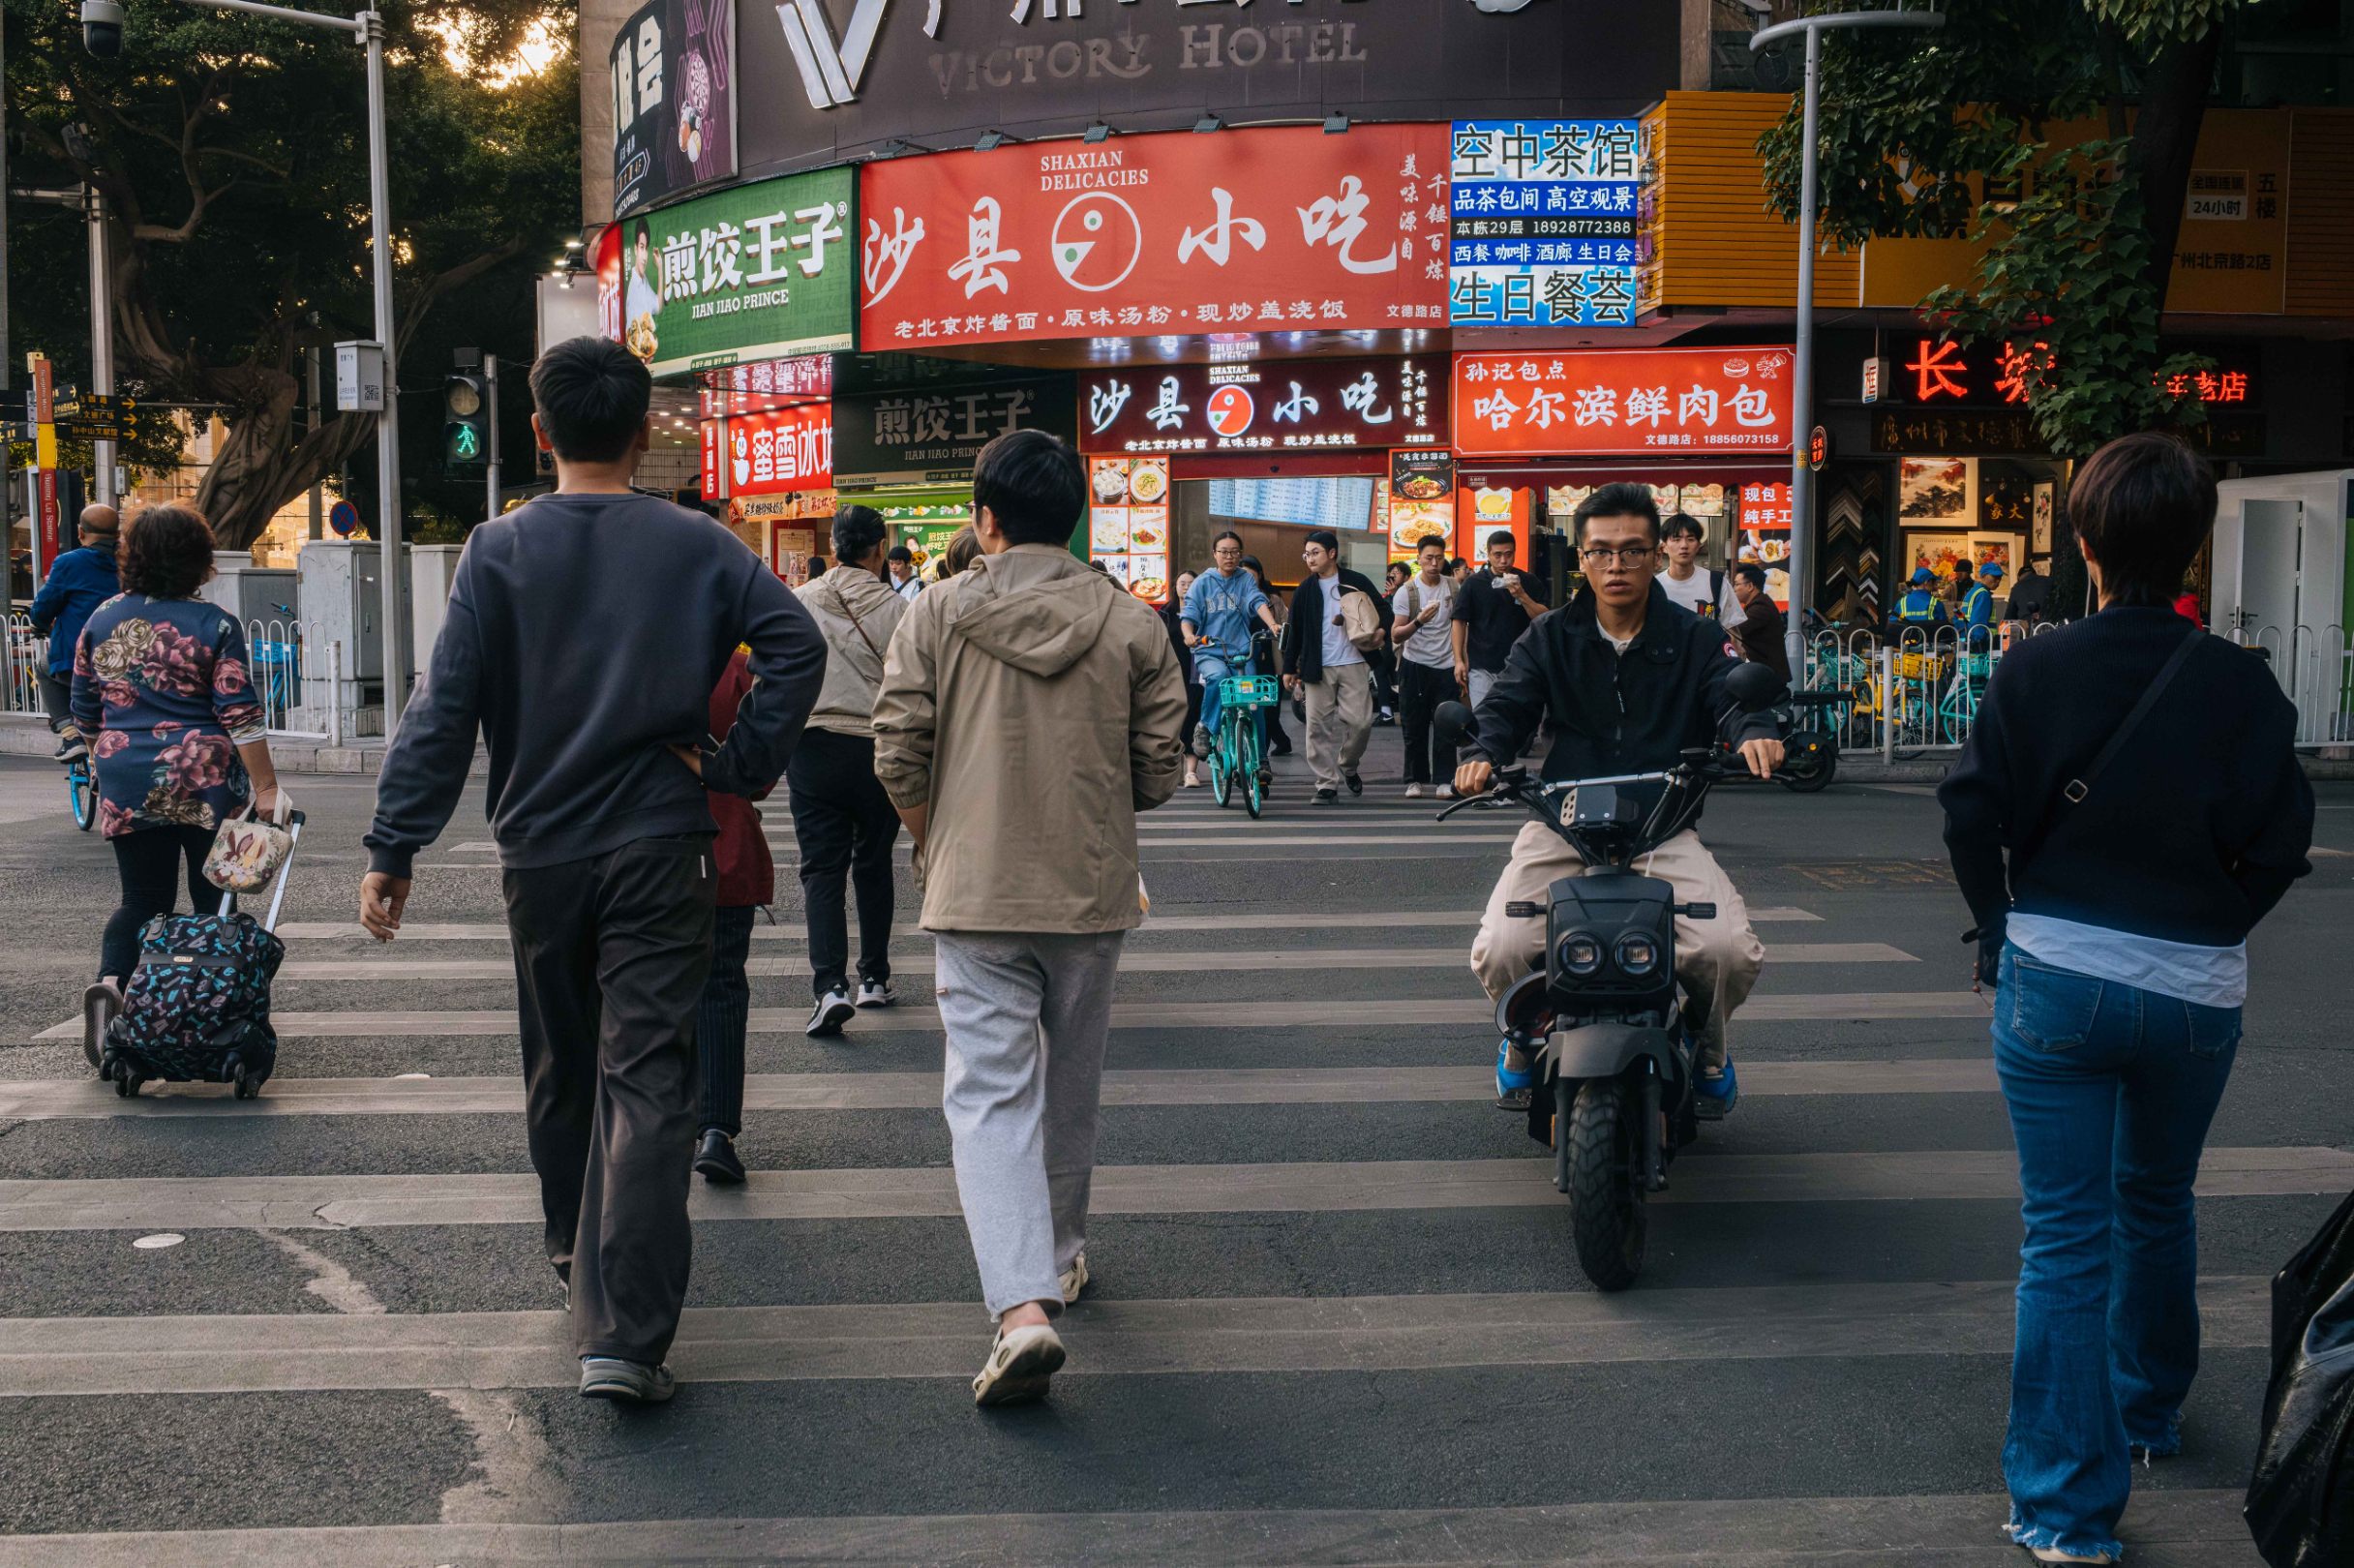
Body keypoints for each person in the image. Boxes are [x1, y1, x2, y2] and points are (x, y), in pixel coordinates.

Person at [358, 336, 827, 1406]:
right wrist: (736, 764)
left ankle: (578, 1258)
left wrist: (395, 845)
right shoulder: (699, 546)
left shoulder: (497, 550)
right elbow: (794, 647)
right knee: (649, 1076)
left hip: (543, 852)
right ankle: (624, 1330)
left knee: (562, 1064)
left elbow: (444, 711)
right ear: (645, 432)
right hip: (663, 845)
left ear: (538, 430)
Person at [1938, 433, 2312, 1566]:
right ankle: (2147, 1409)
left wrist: (1999, 928)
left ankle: (2062, 1513)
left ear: (2083, 542)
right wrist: (2212, 927)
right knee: (2156, 1197)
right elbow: (2279, 841)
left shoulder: (2031, 668)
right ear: (2191, 542)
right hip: (2194, 988)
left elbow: (1968, 812)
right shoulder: (2240, 682)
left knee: (2062, 1237)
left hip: (2054, 975)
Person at [871, 428, 1186, 1408]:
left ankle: (1021, 1309)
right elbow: (1159, 771)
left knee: (990, 1094)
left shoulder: (934, 611)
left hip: (973, 891)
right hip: (1089, 891)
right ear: (1078, 515)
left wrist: (934, 839)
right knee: (1071, 1084)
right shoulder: (1132, 625)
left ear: (986, 518)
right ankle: (1061, 1254)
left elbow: (896, 751)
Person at [1457, 482, 1779, 1115]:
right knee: (1499, 944)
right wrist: (1481, 751)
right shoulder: (1548, 636)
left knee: (1726, 951)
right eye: (1602, 552)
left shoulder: (1694, 636)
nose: (1616, 565)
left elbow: (1733, 696)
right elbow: (1508, 705)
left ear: (1658, 555)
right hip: (1562, 822)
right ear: (1582, 557)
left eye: (1633, 551)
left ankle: (1708, 1051)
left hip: (1662, 826)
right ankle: (1523, 1044)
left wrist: (1756, 732)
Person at [72, 504, 282, 1055]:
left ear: (132, 555)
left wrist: (108, 765)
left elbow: (85, 713)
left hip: (124, 770)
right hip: (203, 773)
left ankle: (113, 983)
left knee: (141, 896)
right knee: (215, 899)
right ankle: (204, 1011)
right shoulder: (214, 624)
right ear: (199, 559)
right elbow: (239, 712)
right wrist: (266, 789)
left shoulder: (100, 620)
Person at [791, 504, 910, 1036]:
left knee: (821, 869)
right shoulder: (899, 609)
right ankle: (875, 978)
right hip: (877, 747)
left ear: (835, 545)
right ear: (879, 549)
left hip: (814, 746)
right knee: (873, 861)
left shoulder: (800, 601)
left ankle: (828, 987)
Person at [690, 649, 772, 1187]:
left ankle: (645, 1124)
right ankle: (717, 1131)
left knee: (638, 991)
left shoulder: (627, 651)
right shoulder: (736, 667)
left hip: (635, 849)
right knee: (720, 986)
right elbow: (761, 768)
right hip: (724, 845)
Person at [1280, 528, 1383, 803]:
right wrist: (1289, 668)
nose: (1309, 559)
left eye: (1315, 553)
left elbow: (1383, 612)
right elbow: (1295, 630)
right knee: (1316, 728)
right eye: (1307, 554)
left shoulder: (1356, 582)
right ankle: (1326, 784)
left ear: (1332, 554)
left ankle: (1348, 765)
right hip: (1318, 667)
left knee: (1361, 723)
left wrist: (1379, 633)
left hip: (1355, 662)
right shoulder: (1305, 589)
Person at [1181, 531, 1283, 770]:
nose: (1230, 556)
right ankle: (1206, 728)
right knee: (1219, 678)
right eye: (1224, 552)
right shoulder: (1202, 583)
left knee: (1252, 697)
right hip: (1210, 651)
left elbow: (1257, 601)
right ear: (1214, 554)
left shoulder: (1245, 580)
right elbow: (1188, 615)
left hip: (1241, 652)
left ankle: (1261, 759)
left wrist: (1272, 624)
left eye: (1235, 552)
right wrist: (1188, 635)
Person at [28, 504, 121, 763]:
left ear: (81, 532)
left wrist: (39, 623)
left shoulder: (70, 562)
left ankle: (70, 735)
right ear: (118, 534)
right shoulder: (131, 562)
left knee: (44, 668)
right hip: (128, 660)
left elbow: (45, 605)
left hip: (78, 661)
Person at [1390, 536, 1460, 799]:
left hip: (1447, 665)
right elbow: (1396, 635)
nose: (1434, 563)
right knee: (1414, 725)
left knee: (1446, 725)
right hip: (1415, 665)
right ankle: (1415, 780)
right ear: (1418, 559)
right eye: (1429, 558)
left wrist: (1461, 660)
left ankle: (1445, 779)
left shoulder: (1453, 587)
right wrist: (1419, 621)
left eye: (1439, 558)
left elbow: (1460, 625)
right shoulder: (1407, 591)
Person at [1451, 529, 1548, 709]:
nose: (1504, 561)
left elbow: (1543, 618)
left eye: (1508, 554)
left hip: (1521, 666)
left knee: (1518, 724)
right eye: (1497, 555)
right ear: (1488, 555)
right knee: (1484, 722)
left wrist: (1521, 595)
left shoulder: (1529, 581)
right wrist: (1458, 661)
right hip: (1482, 666)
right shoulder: (1473, 584)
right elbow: (1459, 621)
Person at [1237, 554, 1292, 755]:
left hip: (1270, 662)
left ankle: (1262, 757)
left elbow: (1287, 628)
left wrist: (1292, 663)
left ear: (1259, 575)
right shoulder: (1234, 600)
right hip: (1244, 661)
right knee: (1251, 709)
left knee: (1269, 710)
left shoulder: (1272, 600)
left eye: (1250, 575)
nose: (1246, 580)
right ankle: (1279, 742)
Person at [1656, 512, 1743, 628]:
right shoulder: (1654, 586)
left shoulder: (1716, 582)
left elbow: (1731, 631)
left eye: (1691, 539)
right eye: (1676, 539)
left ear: (1698, 546)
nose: (1684, 545)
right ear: (1664, 547)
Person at [1163, 571, 1203, 788]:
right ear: (1175, 586)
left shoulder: (1202, 612)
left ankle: (1191, 772)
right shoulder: (1166, 613)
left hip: (1196, 674)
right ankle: (1174, 769)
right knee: (1173, 722)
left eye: (1191, 583)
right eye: (1182, 583)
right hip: (1171, 675)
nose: (1186, 587)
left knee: (1193, 719)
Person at [1727, 562, 1790, 683]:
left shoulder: (1761, 608)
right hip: (1763, 674)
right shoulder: (1758, 604)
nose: (1734, 589)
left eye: (1737, 584)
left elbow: (1736, 630)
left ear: (1750, 586)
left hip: (1768, 678)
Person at [1891, 566, 1947, 630]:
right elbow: (1945, 627)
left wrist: (1903, 617)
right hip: (1928, 639)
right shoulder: (1935, 603)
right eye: (1933, 581)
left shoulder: (1902, 602)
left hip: (1906, 639)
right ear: (1926, 582)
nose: (1934, 584)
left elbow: (1893, 623)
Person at [1963, 560, 2006, 646]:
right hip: (1978, 643)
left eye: (2000, 577)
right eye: (1994, 577)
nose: (1998, 581)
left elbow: (1962, 616)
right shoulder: (1983, 594)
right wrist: (1979, 642)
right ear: (1983, 576)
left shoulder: (1973, 591)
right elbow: (1978, 622)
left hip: (1967, 638)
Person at [2008, 558, 2054, 625]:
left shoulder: (2017, 587)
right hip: (2050, 624)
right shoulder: (2049, 581)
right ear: (2035, 573)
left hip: (2027, 628)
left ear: (2018, 577)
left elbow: (2010, 614)